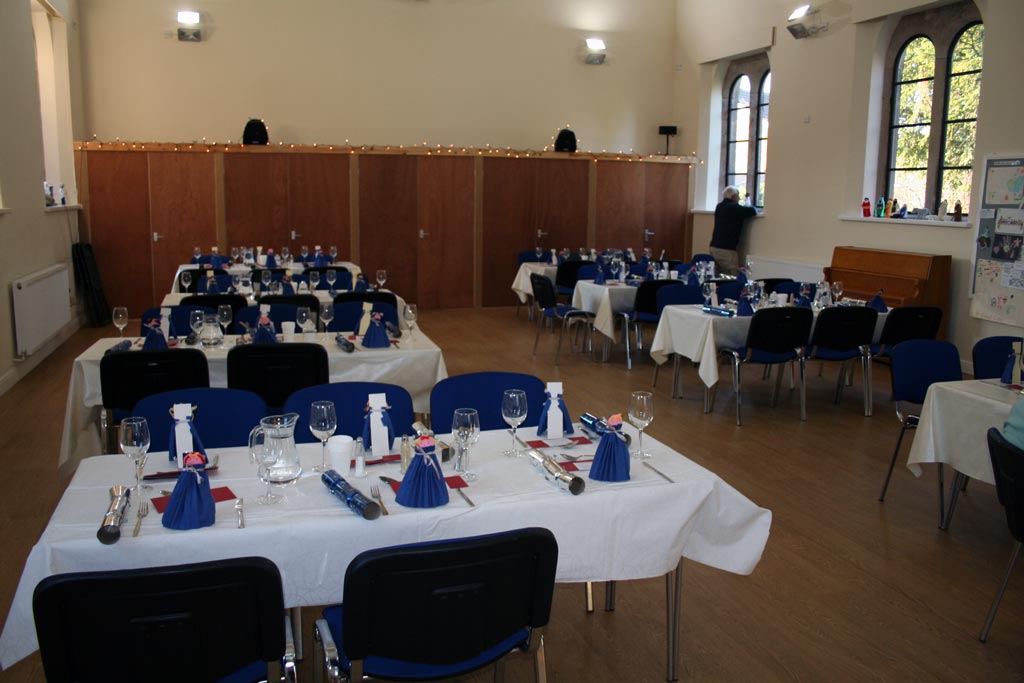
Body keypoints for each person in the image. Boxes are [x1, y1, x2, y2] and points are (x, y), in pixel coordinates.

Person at [710, 186, 757, 276]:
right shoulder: (734, 208)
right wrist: (748, 200)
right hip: (726, 249)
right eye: (738, 196)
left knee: (717, 276)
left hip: (714, 247)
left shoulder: (719, 206)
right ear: (733, 197)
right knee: (732, 277)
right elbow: (752, 211)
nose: (739, 198)